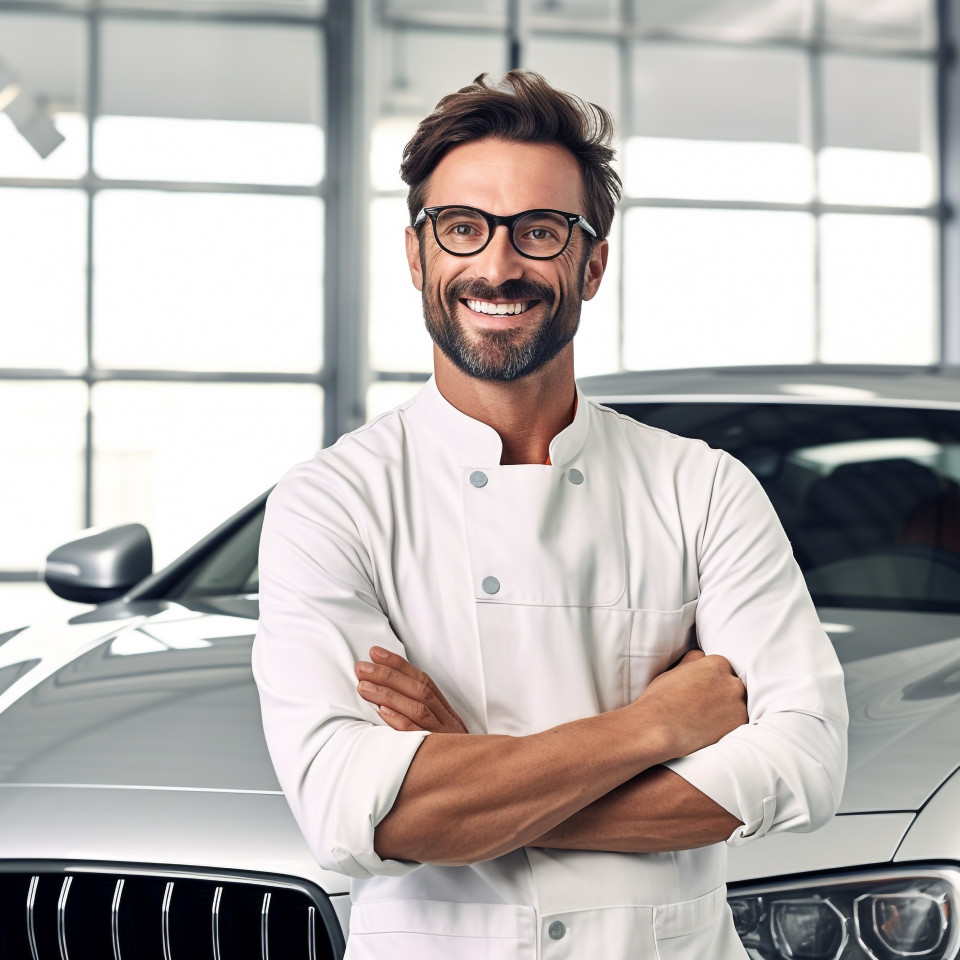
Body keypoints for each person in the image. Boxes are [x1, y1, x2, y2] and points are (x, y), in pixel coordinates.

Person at [253, 70, 848, 960]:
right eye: (463, 229)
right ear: (417, 256)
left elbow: (803, 765)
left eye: (539, 233)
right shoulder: (332, 500)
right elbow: (355, 815)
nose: (497, 267)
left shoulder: (702, 488)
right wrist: (653, 728)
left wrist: (467, 785)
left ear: (591, 264)